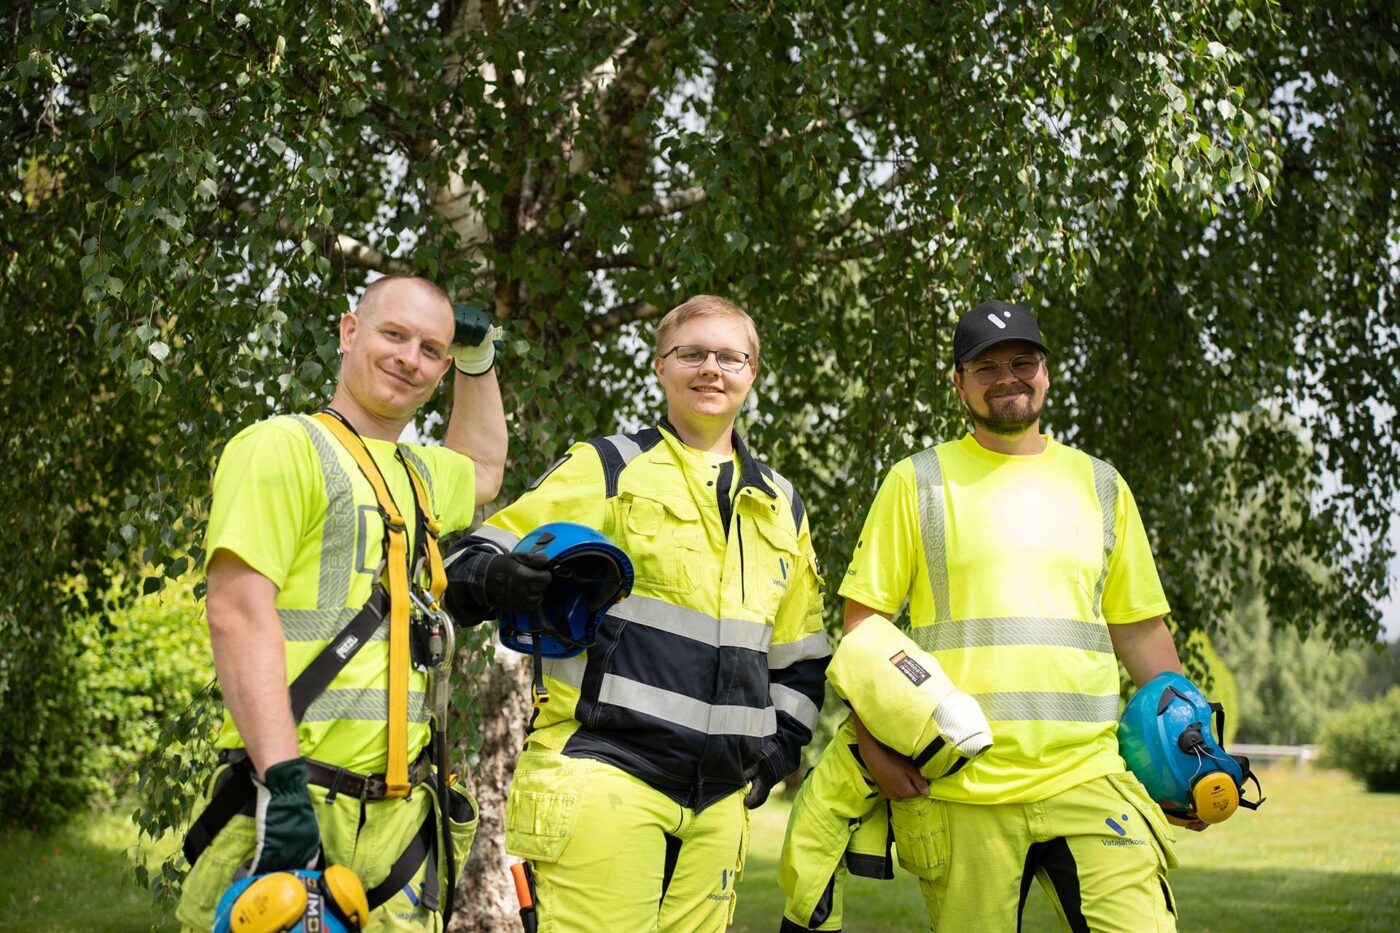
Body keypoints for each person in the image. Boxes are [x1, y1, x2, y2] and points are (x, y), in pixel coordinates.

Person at [779, 299, 1190, 932]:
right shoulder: (915, 482)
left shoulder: (1101, 485)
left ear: (1046, 371)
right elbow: (866, 636)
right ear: (958, 382)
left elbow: (1139, 632)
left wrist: (1186, 755)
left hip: (1090, 775)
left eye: (1022, 361)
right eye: (985, 366)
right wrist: (870, 740)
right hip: (963, 788)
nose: (1007, 378)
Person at [443, 295, 830, 932]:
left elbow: (801, 658)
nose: (712, 368)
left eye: (730, 356)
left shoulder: (782, 504)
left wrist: (771, 760)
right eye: (693, 353)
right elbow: (484, 553)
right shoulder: (610, 466)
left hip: (720, 804)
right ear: (659, 368)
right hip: (608, 776)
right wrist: (492, 576)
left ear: (752, 373)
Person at [178, 275, 549, 931]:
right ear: (350, 332)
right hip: (293, 797)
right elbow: (236, 612)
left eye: (431, 349)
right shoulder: (282, 447)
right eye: (394, 334)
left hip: (401, 823)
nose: (410, 358)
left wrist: (477, 357)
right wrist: (283, 783)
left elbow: (486, 466)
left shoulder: (418, 473)